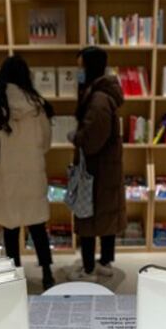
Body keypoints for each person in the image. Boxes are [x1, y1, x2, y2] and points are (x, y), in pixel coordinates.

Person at [0, 55, 56, 289]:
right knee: (38, 228)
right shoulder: (36, 106)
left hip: (4, 177)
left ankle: (14, 276)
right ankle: (47, 273)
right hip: (31, 174)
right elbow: (46, 142)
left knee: (10, 230)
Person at [67, 46, 126, 281]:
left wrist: (76, 137)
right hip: (104, 170)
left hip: (95, 171)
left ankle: (90, 268)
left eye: (80, 66)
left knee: (88, 217)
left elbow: (92, 140)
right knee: (104, 215)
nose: (78, 72)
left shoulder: (98, 99)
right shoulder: (101, 94)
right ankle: (104, 263)